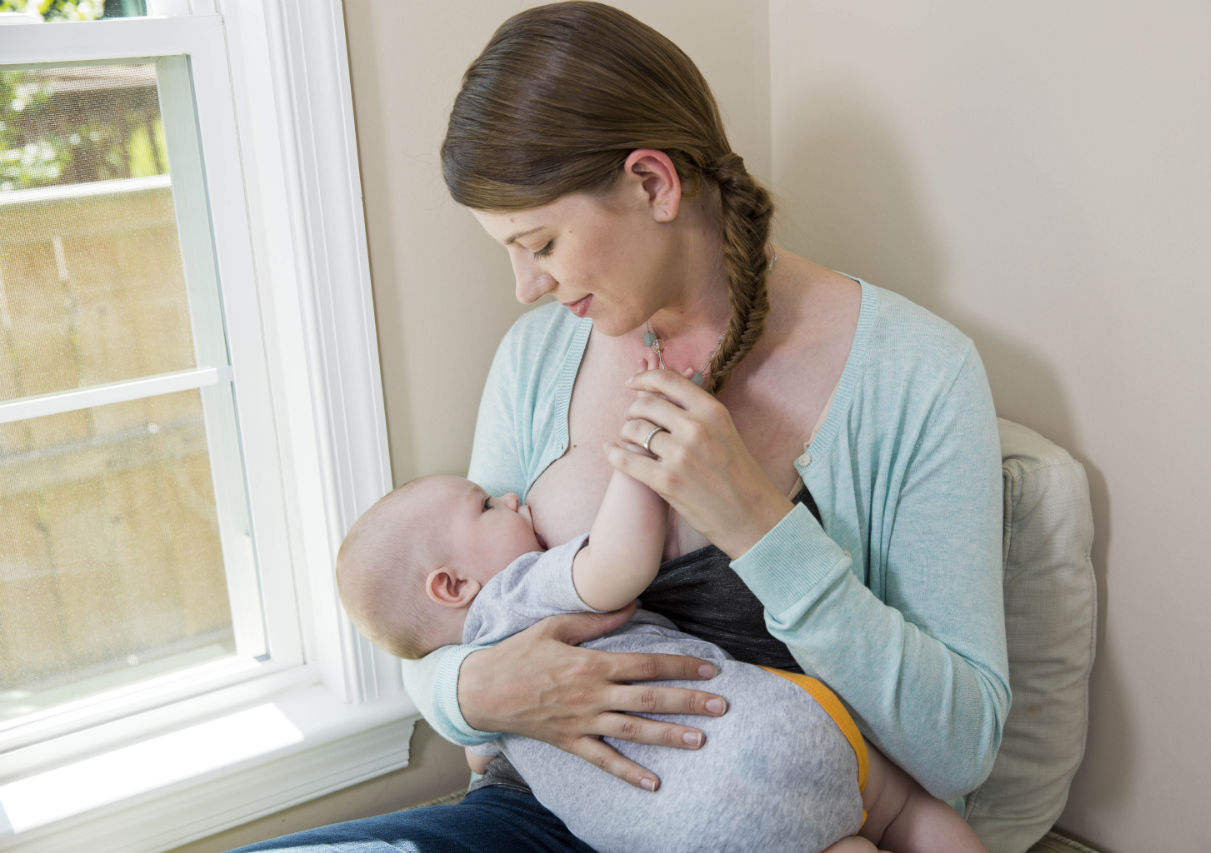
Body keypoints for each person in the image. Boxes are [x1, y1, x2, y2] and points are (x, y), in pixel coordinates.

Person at [229, 2, 1009, 850]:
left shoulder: (916, 377)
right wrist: (477, 692)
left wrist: (758, 523)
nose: (526, 286)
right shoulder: (537, 359)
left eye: (541, 243)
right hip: (547, 814)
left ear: (652, 183)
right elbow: (444, 630)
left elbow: (959, 745)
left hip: (767, 821)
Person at [334, 361, 987, 852]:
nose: (508, 499)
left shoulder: (488, 680)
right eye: (484, 504)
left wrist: (475, 705)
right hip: (778, 733)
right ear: (452, 587)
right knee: (903, 814)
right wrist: (638, 450)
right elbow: (618, 563)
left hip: (692, 832)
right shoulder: (520, 588)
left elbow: (476, 750)